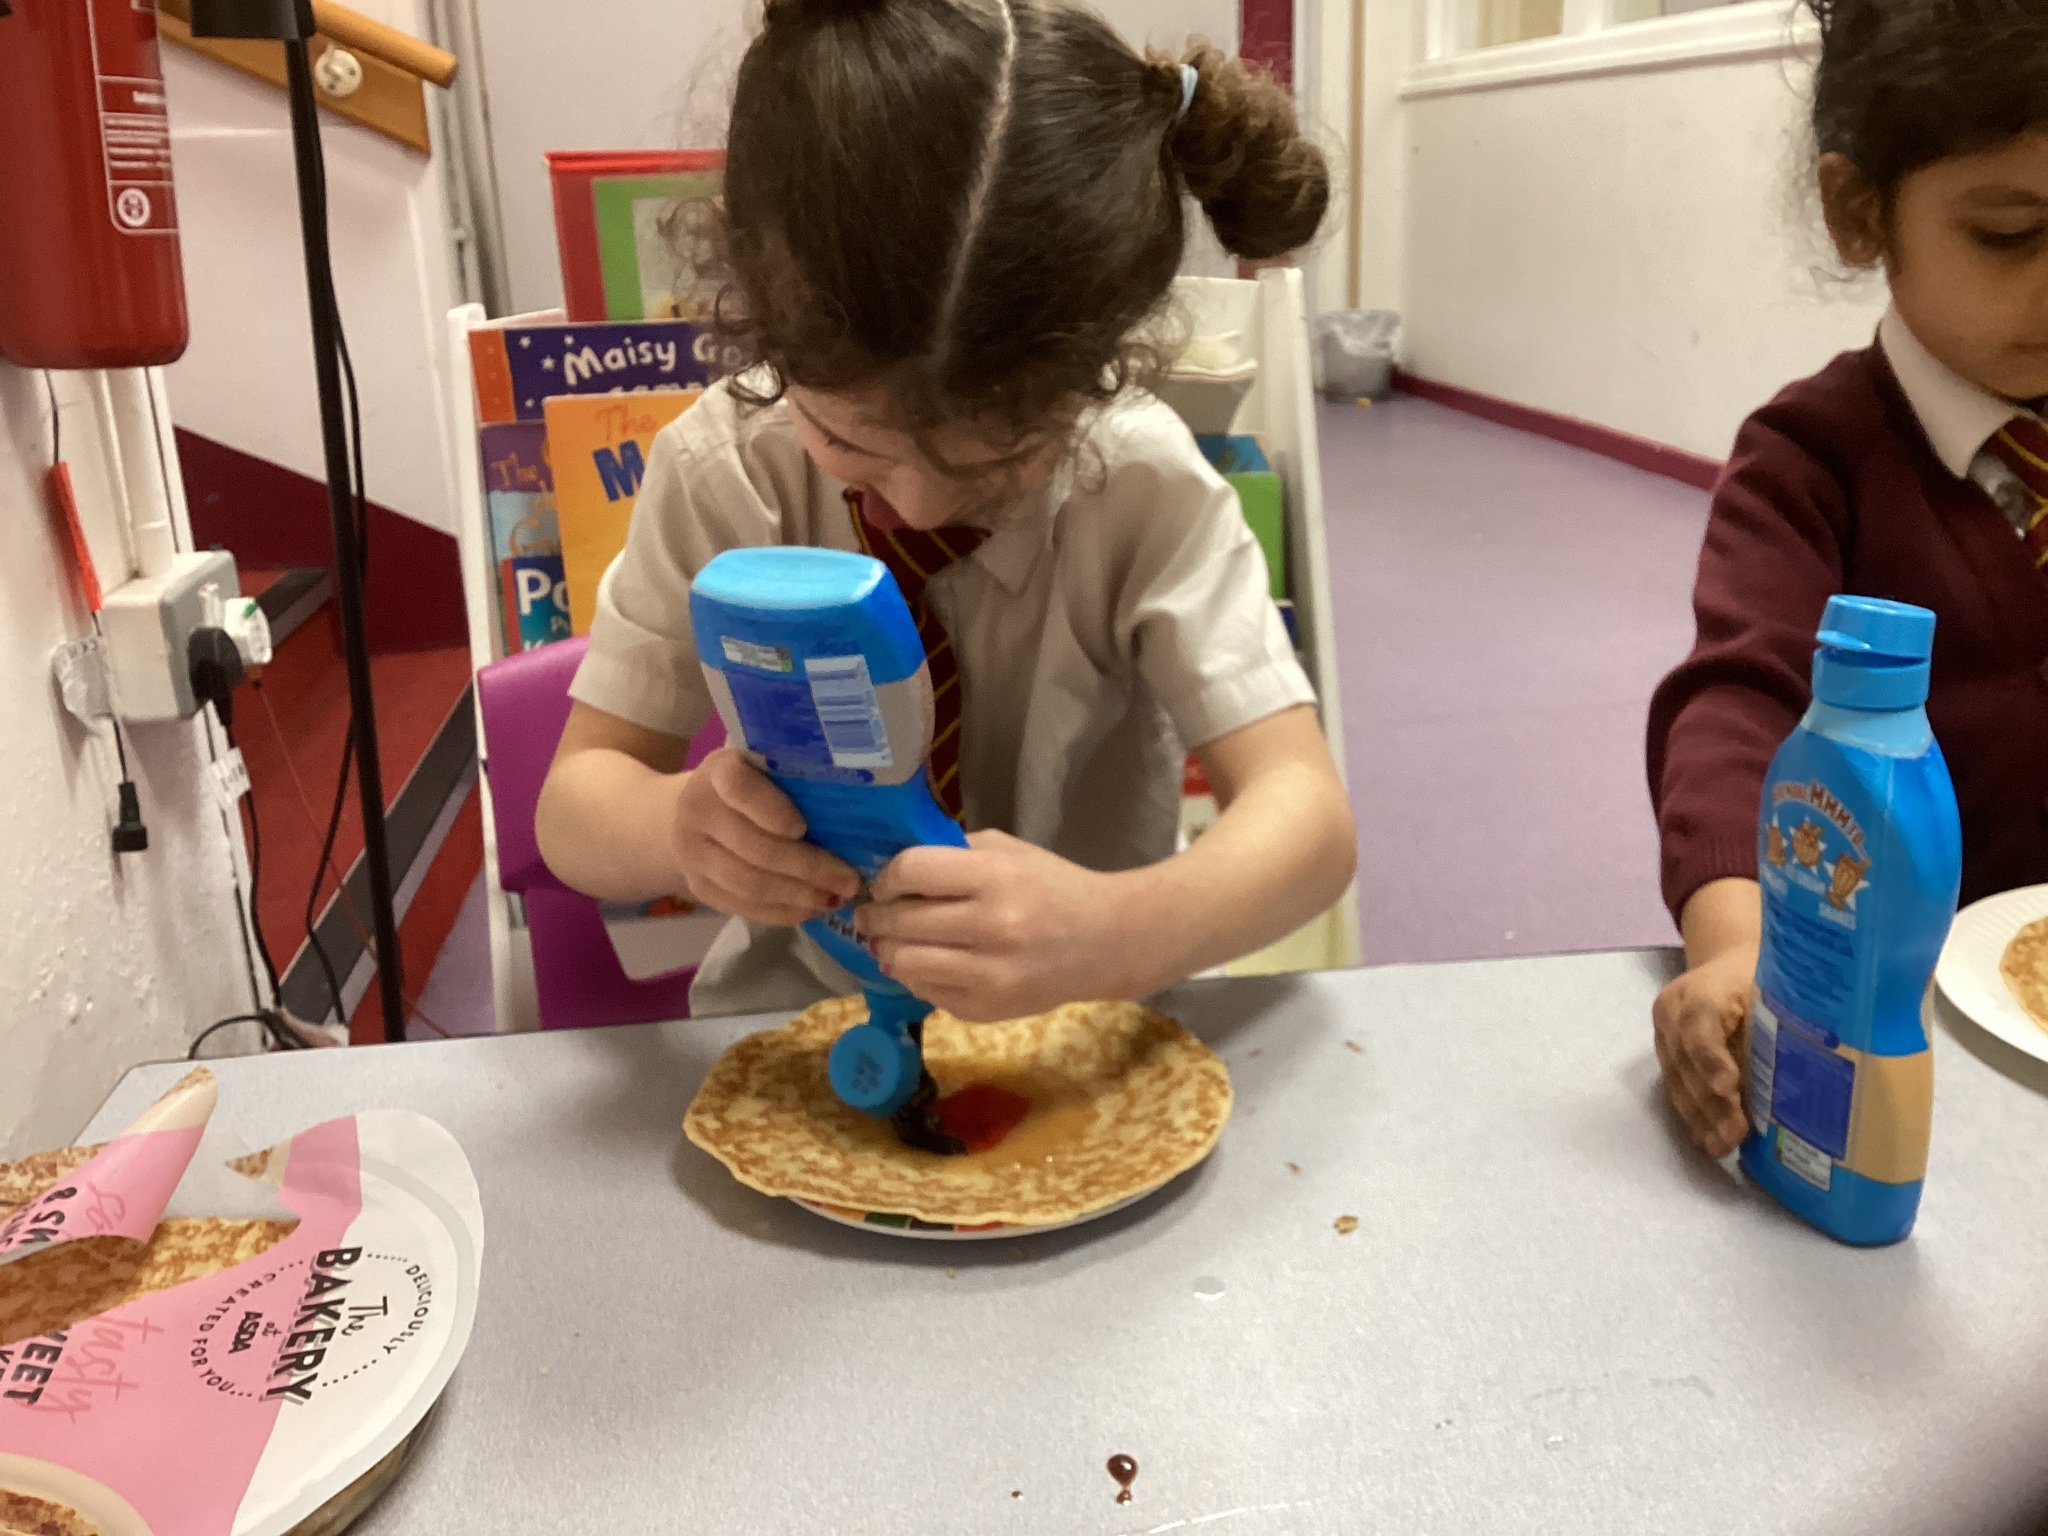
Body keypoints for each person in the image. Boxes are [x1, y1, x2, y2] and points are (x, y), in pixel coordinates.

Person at [536, 0, 1356, 1025]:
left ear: (1100, 368)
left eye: (1001, 458)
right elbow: (574, 807)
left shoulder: (1138, 482)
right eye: (852, 443)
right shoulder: (723, 474)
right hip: (804, 1015)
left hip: (1085, 1016)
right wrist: (678, 827)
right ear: (755, 314)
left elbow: (1310, 825)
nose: (916, 502)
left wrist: (1117, 930)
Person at [1646, 0, 2048, 1158]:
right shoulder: (1807, 465)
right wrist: (1736, 946)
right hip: (1891, 1029)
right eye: (2008, 234)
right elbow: (1733, 709)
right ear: (1856, 211)